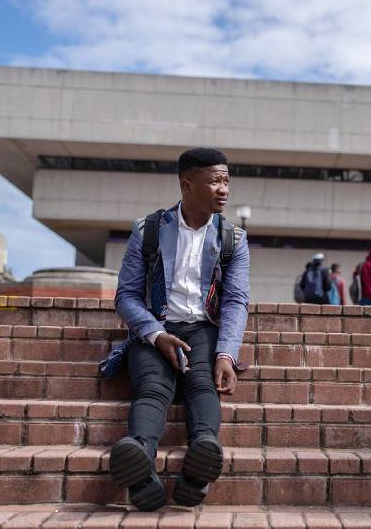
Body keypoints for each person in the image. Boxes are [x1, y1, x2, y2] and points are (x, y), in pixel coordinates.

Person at [112, 147, 249, 510]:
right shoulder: (150, 230)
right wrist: (156, 335)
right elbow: (126, 296)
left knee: (203, 383)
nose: (224, 190)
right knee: (152, 388)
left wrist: (226, 354)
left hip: (203, 329)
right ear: (187, 186)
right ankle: (139, 462)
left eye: (226, 181)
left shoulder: (233, 239)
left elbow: (235, 300)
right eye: (214, 181)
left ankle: (201, 461)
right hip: (154, 328)